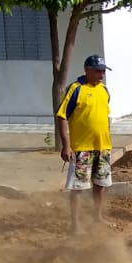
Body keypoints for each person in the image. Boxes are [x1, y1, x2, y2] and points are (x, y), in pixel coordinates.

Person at [55, 54, 114, 233]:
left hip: (103, 147)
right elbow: (62, 116)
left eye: (103, 71)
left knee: (101, 184)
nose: (102, 75)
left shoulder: (104, 90)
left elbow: (104, 115)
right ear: (87, 70)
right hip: (82, 149)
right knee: (78, 187)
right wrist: (66, 145)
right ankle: (75, 224)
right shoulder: (76, 89)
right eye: (98, 71)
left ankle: (98, 217)